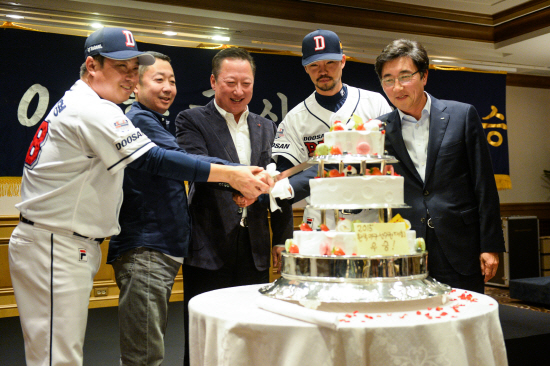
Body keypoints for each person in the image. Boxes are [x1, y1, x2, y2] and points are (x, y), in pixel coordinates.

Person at [8, 28, 272, 366]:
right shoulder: (93, 110)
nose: (131, 79)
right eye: (123, 68)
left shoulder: (89, 104)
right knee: (56, 357)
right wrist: (234, 173)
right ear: (92, 65)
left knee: (61, 352)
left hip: (65, 240)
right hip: (56, 241)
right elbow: (157, 159)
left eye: (135, 69)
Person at [107, 51, 228, 366]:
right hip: (146, 248)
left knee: (146, 350)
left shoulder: (150, 120)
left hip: (157, 248)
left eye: (172, 81)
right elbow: (181, 162)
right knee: (144, 356)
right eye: (158, 79)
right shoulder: (138, 119)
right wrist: (238, 173)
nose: (167, 88)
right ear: (135, 85)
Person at [374, 39, 505, 293]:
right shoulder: (377, 129)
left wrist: (490, 245)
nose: (396, 87)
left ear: (424, 76)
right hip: (404, 250)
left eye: (404, 76)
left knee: (462, 323)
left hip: (459, 247)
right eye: (387, 79)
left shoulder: (462, 116)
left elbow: (484, 185)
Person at [175, 47, 276, 366]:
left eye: (246, 83)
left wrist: (282, 236)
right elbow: (197, 165)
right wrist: (242, 181)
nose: (238, 91)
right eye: (230, 82)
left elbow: (276, 175)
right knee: (205, 332)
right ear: (213, 81)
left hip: (255, 245)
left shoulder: (266, 126)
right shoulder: (191, 119)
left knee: (252, 330)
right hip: (208, 244)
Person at [270, 29, 392, 262]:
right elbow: (283, 184)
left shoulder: (374, 103)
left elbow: (395, 160)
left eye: (330, 62)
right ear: (305, 67)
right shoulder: (295, 119)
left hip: (370, 219)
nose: (323, 71)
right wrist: (281, 238)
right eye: (314, 65)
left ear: (343, 61)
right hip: (320, 223)